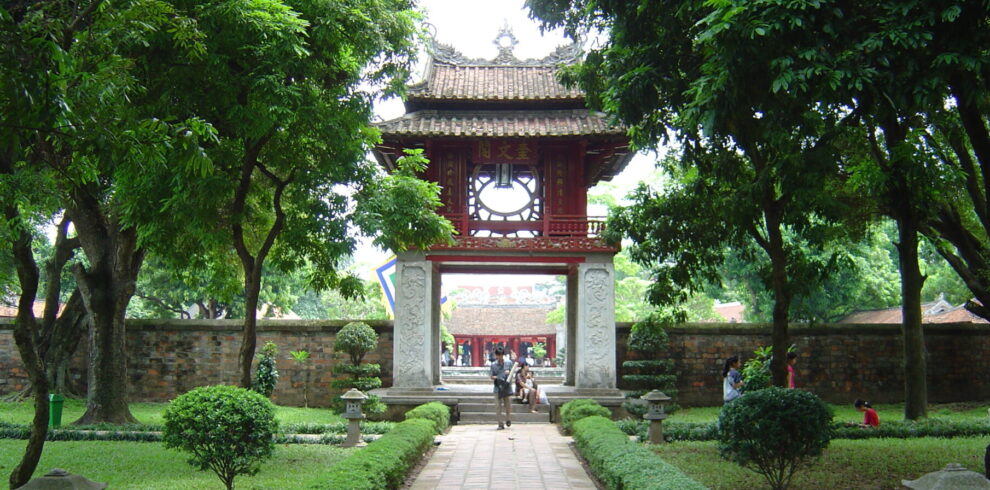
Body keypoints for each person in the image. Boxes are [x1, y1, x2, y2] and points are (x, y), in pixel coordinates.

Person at [490, 346, 515, 430]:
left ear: (503, 355)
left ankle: (508, 418)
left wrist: (509, 373)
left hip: (507, 387)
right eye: (497, 355)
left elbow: (512, 374)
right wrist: (495, 377)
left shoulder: (509, 363)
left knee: (508, 405)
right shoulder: (493, 365)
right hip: (497, 387)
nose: (499, 357)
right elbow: (491, 375)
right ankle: (500, 424)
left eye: (500, 355)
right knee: (498, 406)